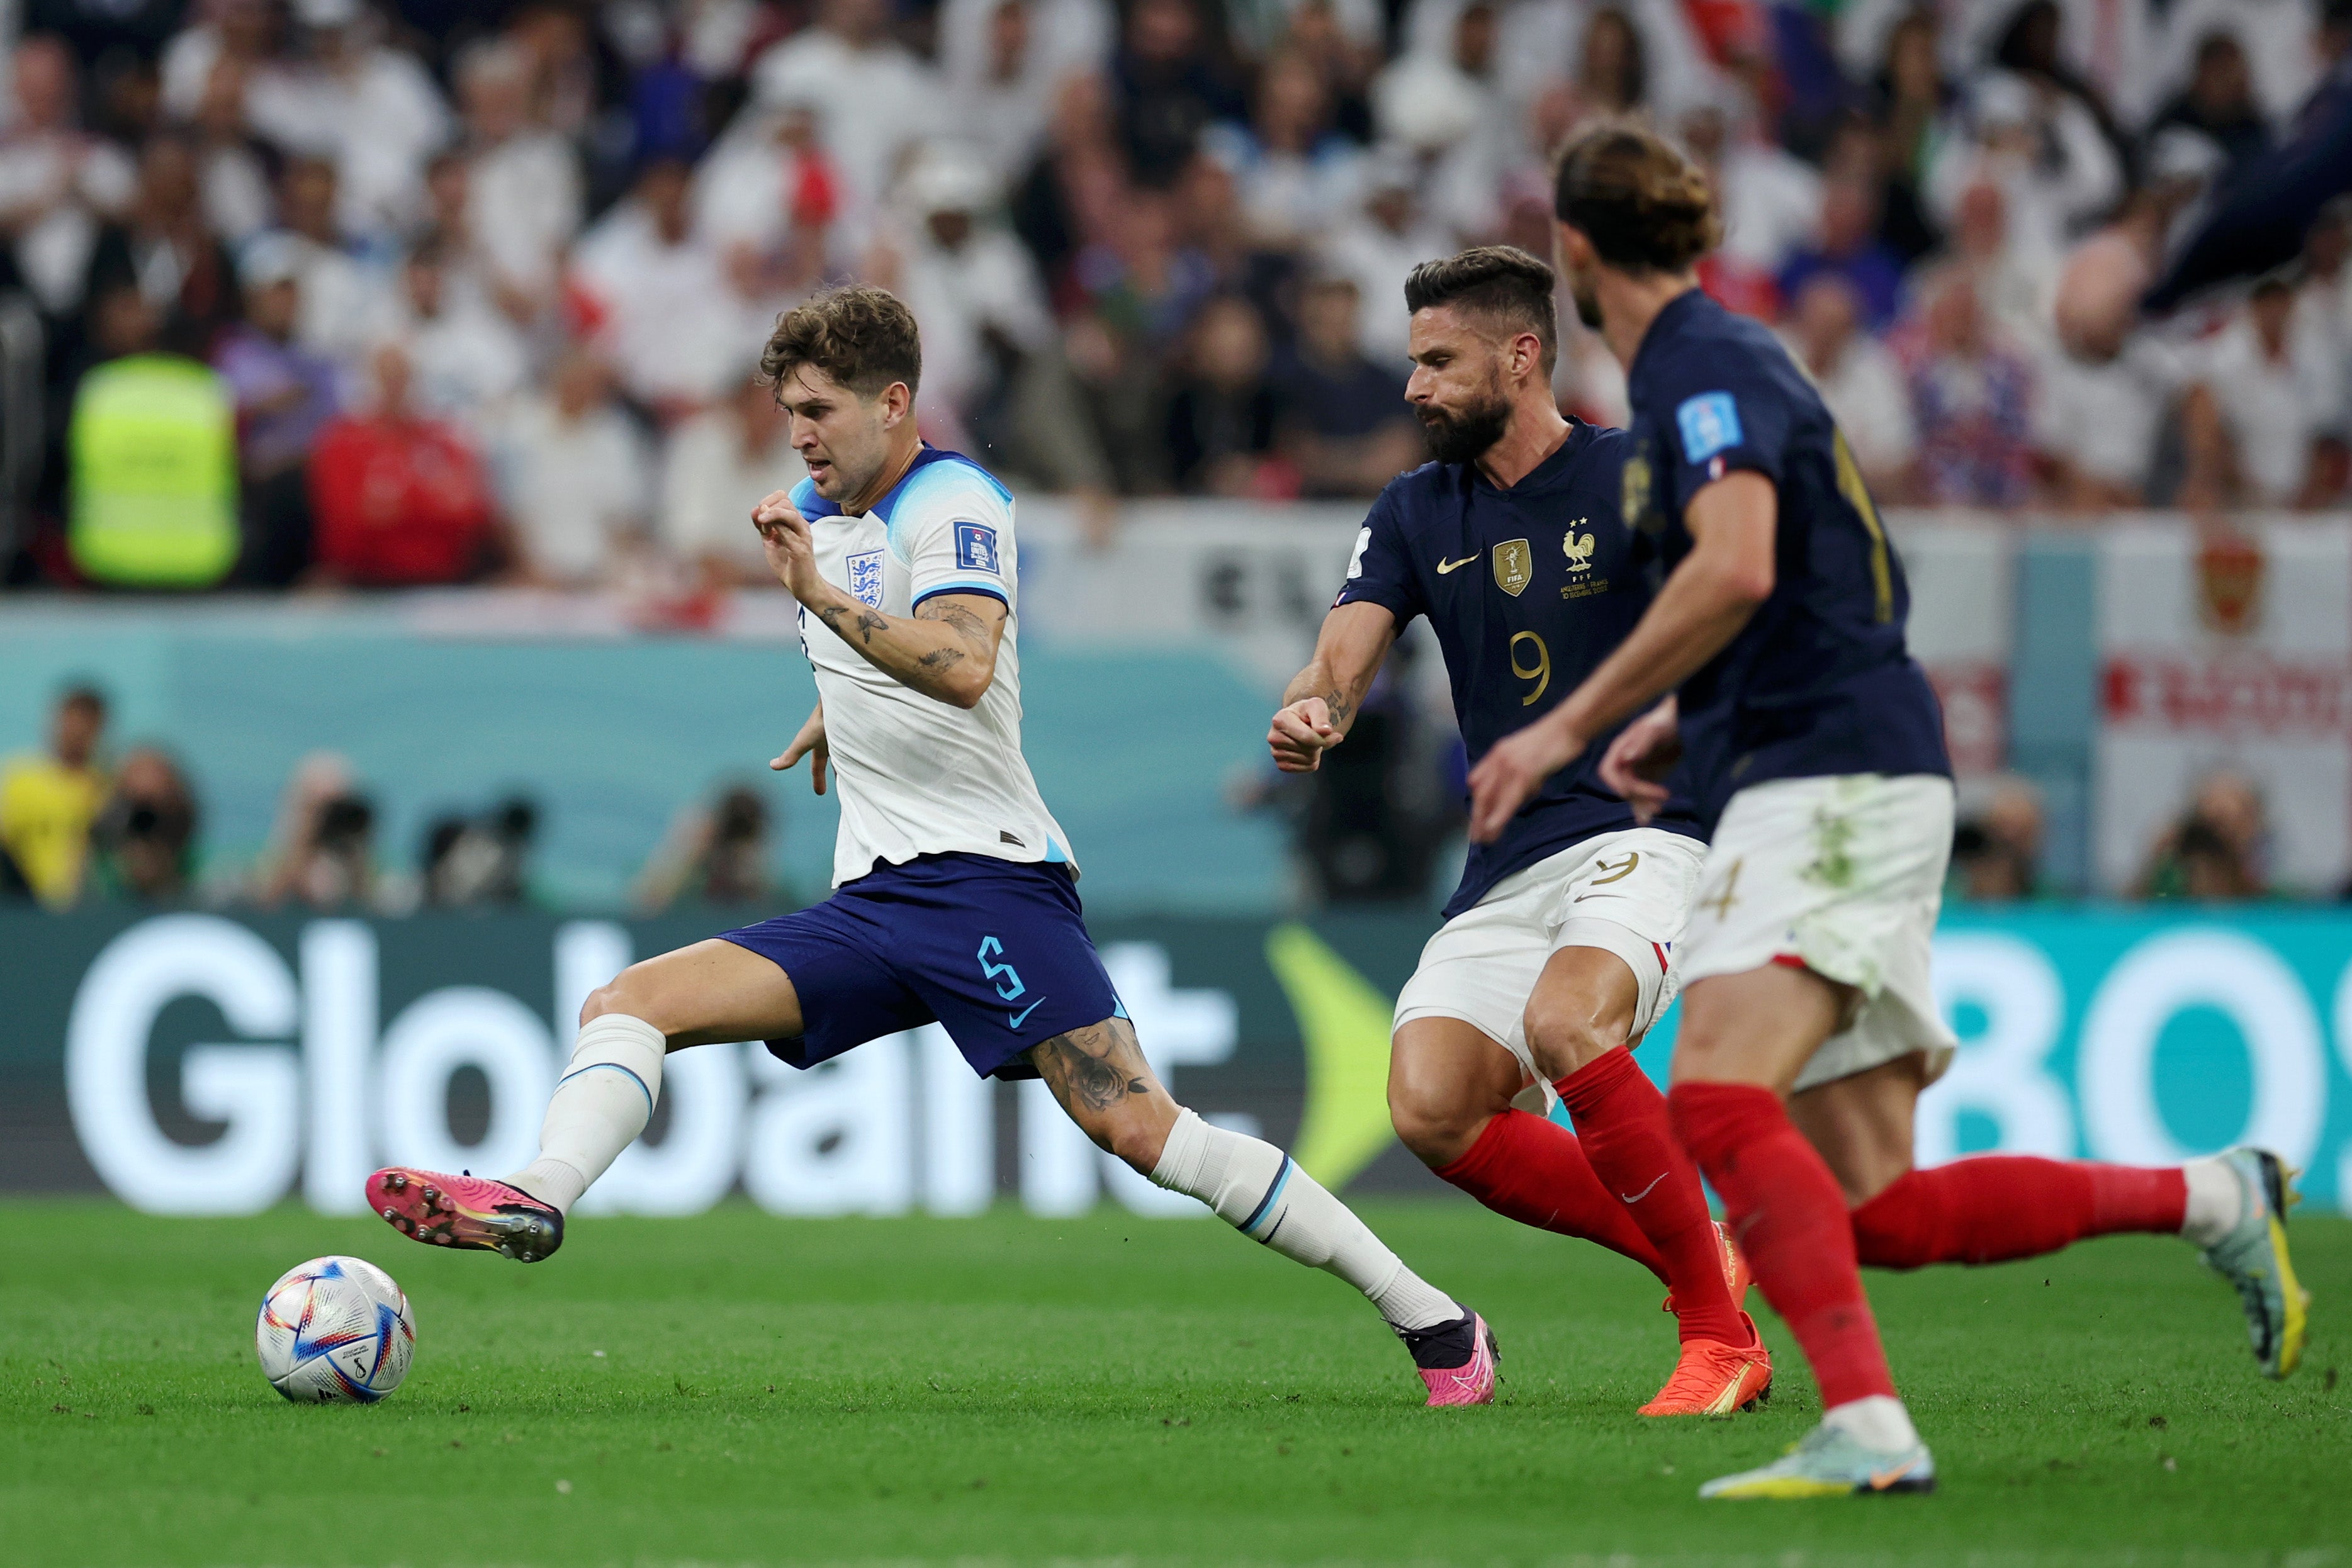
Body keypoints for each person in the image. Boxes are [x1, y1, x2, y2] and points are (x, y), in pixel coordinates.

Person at [364, 285, 1498, 1408]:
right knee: (628, 1002)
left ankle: (1434, 1317)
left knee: (1143, 1128)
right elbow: (896, 652)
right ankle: (536, 1194)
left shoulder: (950, 497)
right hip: (874, 902)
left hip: (986, 885)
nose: (799, 433)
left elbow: (958, 664)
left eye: (819, 409)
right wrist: (836, 708)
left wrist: (813, 597)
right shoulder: (845, 527)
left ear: (894, 402)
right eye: (788, 412)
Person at [1466, 123, 2309, 1499]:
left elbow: (1734, 566)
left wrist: (1570, 721)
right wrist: (1692, 714)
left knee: (1720, 1101)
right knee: (1877, 1208)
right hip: (1820, 759)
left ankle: (1864, 1420)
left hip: (1830, 777)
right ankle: (2215, 1196)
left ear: (1571, 250)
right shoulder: (1723, 362)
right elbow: (1820, 569)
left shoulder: (1697, 364)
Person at [1268, 245, 1769, 1417]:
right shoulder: (1414, 508)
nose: (1414, 387)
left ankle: (1718, 1334)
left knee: (1565, 1025)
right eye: (1413, 362)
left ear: (1520, 355)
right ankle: (1695, 1246)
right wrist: (1314, 707)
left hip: (1655, 830)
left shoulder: (1637, 476)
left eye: (1439, 363)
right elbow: (1345, 650)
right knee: (1431, 1103)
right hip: (1507, 860)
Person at [0, 685, 110, 909]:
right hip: (25, 905)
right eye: (71, 722)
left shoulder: (107, 785)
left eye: (86, 725)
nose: (76, 733)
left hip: (88, 906)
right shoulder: (20, 780)